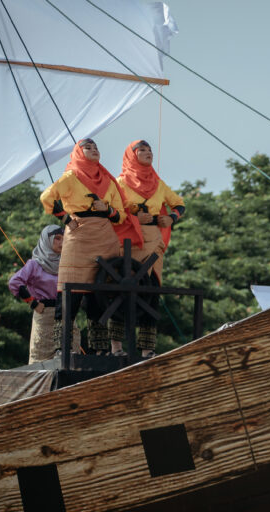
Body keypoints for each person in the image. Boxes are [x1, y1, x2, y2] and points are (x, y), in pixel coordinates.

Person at [39, 138, 126, 353]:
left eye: (96, 147)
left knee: (101, 293)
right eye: (88, 147)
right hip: (79, 235)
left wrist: (105, 209)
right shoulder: (71, 176)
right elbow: (46, 197)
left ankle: (100, 348)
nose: (94, 150)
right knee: (71, 291)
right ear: (78, 152)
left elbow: (121, 216)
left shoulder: (107, 179)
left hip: (105, 236)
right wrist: (66, 219)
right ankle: (63, 348)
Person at [113, 139, 185, 358]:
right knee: (120, 291)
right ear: (131, 156)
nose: (147, 153)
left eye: (149, 150)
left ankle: (147, 349)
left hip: (153, 239)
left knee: (151, 288)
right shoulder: (120, 183)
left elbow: (179, 204)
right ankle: (116, 348)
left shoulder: (159, 183)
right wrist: (134, 216)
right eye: (141, 150)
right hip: (128, 240)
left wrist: (171, 217)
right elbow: (113, 210)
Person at [8, 225, 80, 363]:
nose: (62, 242)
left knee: (71, 360)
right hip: (45, 314)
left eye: (64, 238)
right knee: (41, 362)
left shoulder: (67, 263)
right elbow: (14, 282)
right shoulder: (35, 264)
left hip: (66, 315)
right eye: (57, 238)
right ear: (46, 240)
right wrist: (32, 302)